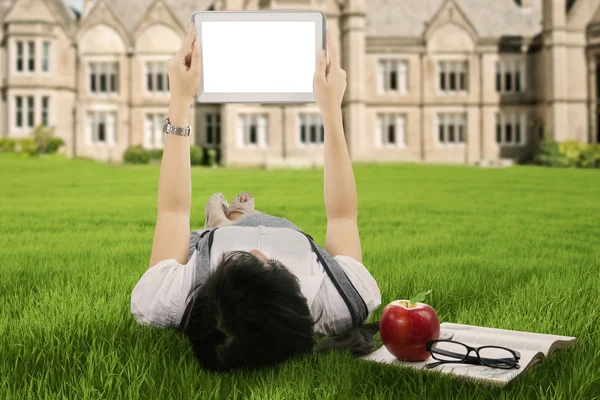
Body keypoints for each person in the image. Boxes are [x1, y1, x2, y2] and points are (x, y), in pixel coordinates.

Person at [130, 23, 382, 371]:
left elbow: (172, 212)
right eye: (274, 265)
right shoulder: (346, 298)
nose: (258, 252)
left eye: (237, 261)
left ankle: (219, 225)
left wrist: (180, 101)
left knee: (213, 236)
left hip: (211, 243)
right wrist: (331, 111)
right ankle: (236, 220)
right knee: (253, 222)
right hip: (285, 231)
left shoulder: (165, 299)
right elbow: (343, 217)